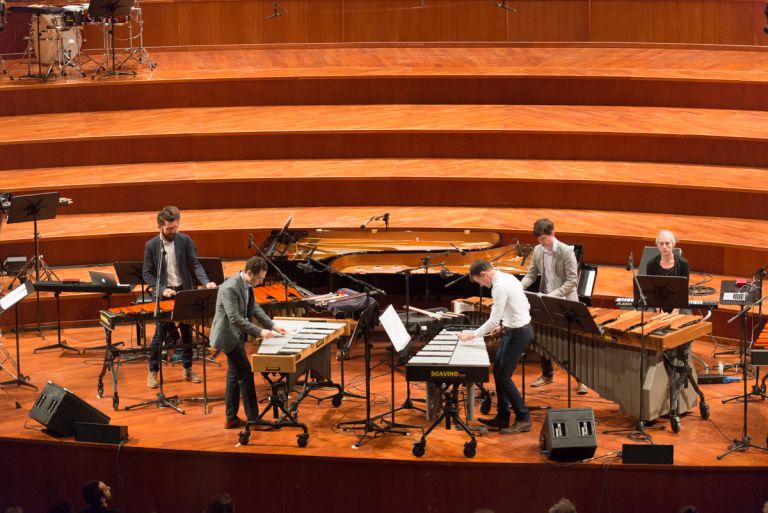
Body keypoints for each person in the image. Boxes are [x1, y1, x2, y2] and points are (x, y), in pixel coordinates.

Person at [142, 206, 217, 388]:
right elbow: (147, 274)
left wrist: (206, 282)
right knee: (159, 335)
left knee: (187, 334)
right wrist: (161, 289)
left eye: (175, 227)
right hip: (165, 295)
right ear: (159, 226)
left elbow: (195, 264)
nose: (173, 231)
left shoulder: (185, 240)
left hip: (184, 291)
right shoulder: (152, 245)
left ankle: (188, 368)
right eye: (169, 228)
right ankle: (153, 372)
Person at [210, 256, 286, 429]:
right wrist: (260, 331)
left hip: (236, 336)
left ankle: (231, 418)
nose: (261, 282)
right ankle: (254, 419)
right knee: (245, 374)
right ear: (249, 273)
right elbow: (234, 318)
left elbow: (255, 307)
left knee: (233, 375)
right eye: (259, 278)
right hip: (227, 336)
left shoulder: (247, 284)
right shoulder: (230, 288)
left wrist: (272, 325)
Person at [459, 259, 533, 434]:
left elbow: (492, 319)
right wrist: (505, 324)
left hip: (518, 333)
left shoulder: (499, 287)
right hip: (515, 329)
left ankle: (523, 418)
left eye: (480, 282)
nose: (483, 286)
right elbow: (523, 306)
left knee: (503, 376)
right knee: (499, 371)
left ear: (484, 274)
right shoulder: (509, 277)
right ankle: (503, 417)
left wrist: (473, 335)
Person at [520, 218, 588, 395]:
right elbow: (531, 275)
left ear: (553, 233)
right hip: (546, 300)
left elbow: (572, 281)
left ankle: (582, 380)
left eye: (544, 239)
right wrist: (517, 287)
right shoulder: (537, 250)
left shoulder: (566, 251)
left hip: (565, 302)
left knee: (571, 342)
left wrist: (553, 295)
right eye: (539, 240)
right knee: (543, 337)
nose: (542, 243)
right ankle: (547, 373)